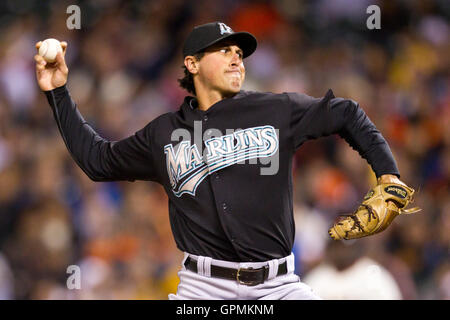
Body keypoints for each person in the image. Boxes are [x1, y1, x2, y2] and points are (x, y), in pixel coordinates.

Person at [34, 21, 409, 300]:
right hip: (204, 290)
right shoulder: (163, 133)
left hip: (278, 287)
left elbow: (345, 112)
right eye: (224, 50)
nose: (236, 58)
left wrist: (388, 175)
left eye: (240, 53)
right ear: (192, 64)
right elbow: (98, 160)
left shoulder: (275, 109)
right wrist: (59, 93)